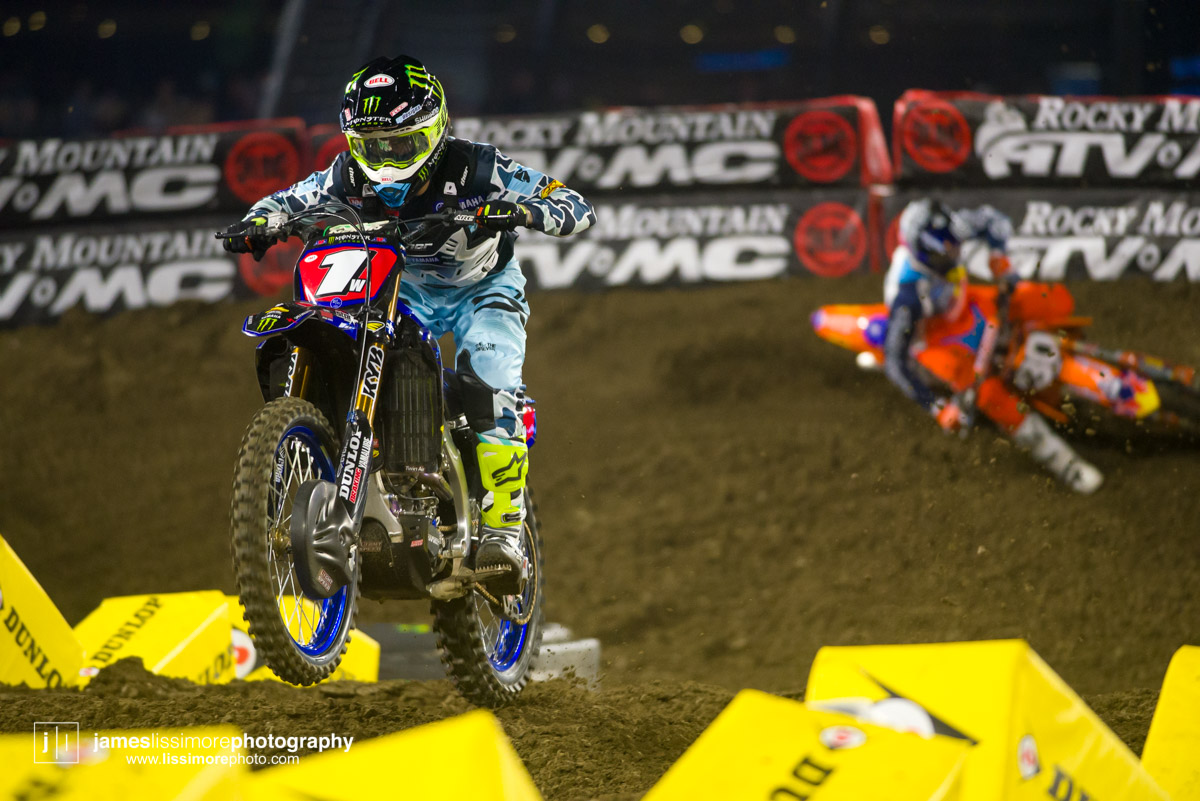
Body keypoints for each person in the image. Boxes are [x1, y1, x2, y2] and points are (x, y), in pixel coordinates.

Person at [218, 55, 597, 592]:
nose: (388, 162)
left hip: (481, 287)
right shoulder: (344, 176)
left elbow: (572, 202)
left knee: (490, 377)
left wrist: (529, 211)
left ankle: (504, 531)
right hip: (403, 288)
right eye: (374, 148)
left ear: (435, 131)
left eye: (402, 145)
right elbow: (287, 200)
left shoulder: (476, 166)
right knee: (345, 335)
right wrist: (258, 221)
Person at [882, 198, 1102, 494]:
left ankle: (1078, 350)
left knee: (1050, 297)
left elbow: (991, 219)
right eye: (947, 250)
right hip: (938, 339)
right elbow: (894, 360)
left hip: (966, 303)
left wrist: (999, 258)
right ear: (926, 251)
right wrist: (938, 408)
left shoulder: (952, 229)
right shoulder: (907, 296)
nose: (955, 251)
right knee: (989, 395)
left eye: (955, 243)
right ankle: (1065, 464)